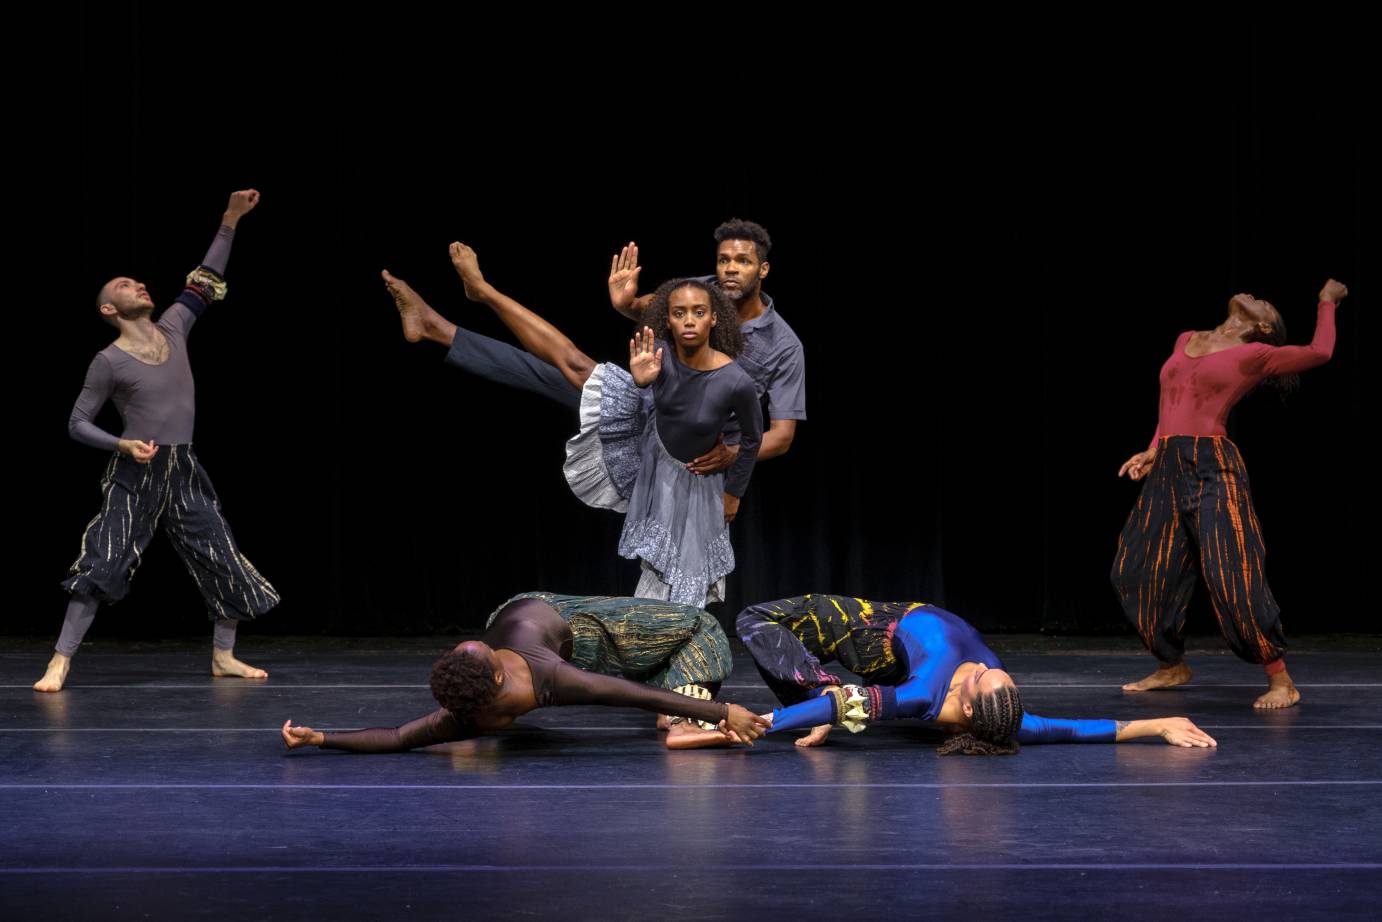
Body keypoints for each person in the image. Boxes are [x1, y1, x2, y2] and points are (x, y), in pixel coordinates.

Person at [34, 190, 279, 693]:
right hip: (136, 470)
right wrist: (121, 446)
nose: (139, 285)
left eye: (139, 281)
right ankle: (60, 662)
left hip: (183, 467)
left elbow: (205, 280)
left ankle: (224, 656)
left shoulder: (174, 326)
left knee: (221, 554)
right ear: (109, 307)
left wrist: (230, 219)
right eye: (126, 284)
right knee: (104, 558)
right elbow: (77, 423)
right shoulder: (108, 361)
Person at [1111, 280, 1348, 709]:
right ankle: (1171, 664)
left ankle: (1281, 679)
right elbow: (1171, 401)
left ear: (1262, 327)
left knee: (1231, 569)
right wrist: (1154, 448)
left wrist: (1326, 303)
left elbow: (1321, 351)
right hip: (1168, 463)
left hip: (1212, 466)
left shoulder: (1256, 355)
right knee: (1135, 568)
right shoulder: (1187, 338)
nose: (1258, 295)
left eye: (1265, 304)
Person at [282, 592, 769, 752]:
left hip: (550, 614)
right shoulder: (544, 684)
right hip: (553, 632)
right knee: (703, 625)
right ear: (494, 680)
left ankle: (681, 712)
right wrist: (321, 738)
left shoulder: (471, 713)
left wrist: (721, 710)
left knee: (675, 635)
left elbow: (631, 692)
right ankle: (682, 718)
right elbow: (395, 736)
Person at [738, 595, 1217, 753]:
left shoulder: (923, 696)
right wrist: (1158, 725)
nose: (987, 666)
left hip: (880, 630)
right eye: (1002, 674)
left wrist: (763, 722)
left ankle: (816, 686)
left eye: (983, 677)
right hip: (903, 641)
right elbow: (1077, 729)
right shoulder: (1012, 719)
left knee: (754, 619)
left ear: (967, 706)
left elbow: (843, 704)